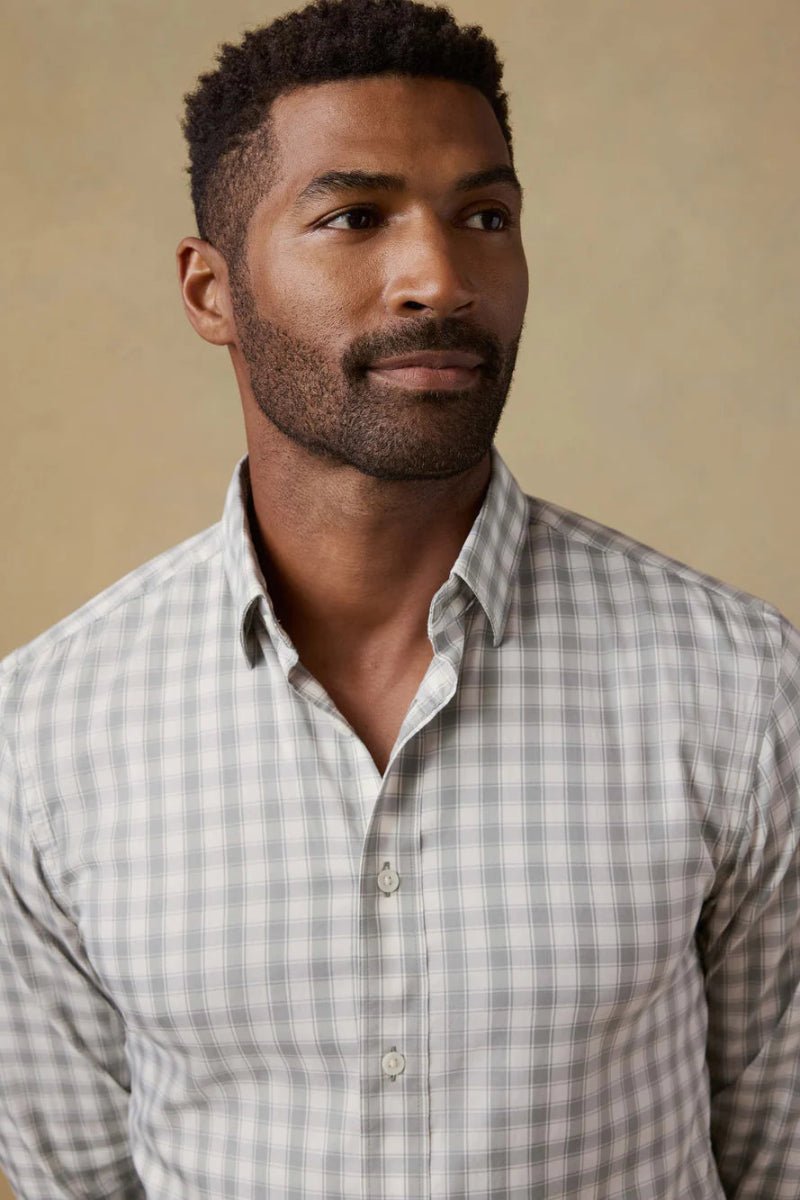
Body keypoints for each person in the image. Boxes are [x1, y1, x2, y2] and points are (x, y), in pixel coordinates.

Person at [1, 0, 798, 1195]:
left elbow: (776, 1154)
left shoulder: (739, 691)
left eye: (484, 216)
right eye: (353, 217)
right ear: (210, 291)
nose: (438, 275)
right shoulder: (40, 734)